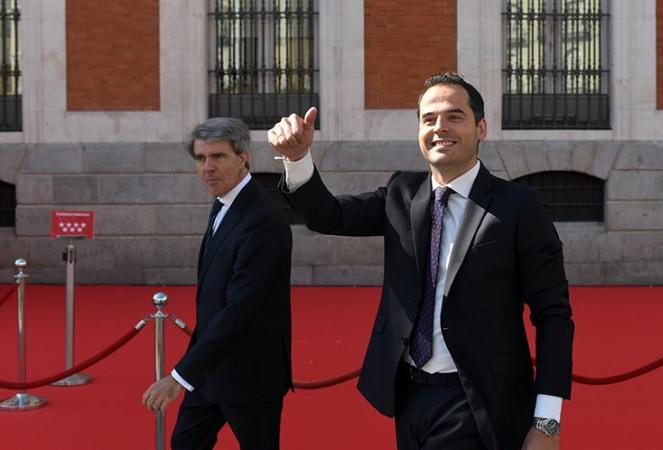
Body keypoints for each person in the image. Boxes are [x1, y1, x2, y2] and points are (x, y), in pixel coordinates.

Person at [269, 72, 573, 450]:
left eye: (454, 117)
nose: (439, 128)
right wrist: (297, 159)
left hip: (479, 401)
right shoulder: (402, 193)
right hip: (410, 397)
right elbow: (328, 216)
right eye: (429, 119)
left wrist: (546, 423)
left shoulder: (518, 207)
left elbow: (553, 315)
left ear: (481, 128)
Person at [142, 117, 293, 450]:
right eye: (200, 158)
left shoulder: (262, 218)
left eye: (218, 157)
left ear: (243, 158)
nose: (207, 167)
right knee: (184, 443)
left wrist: (178, 377)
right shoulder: (224, 203)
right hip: (209, 369)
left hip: (251, 374)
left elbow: (240, 308)